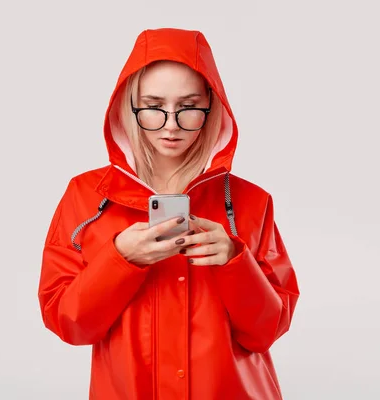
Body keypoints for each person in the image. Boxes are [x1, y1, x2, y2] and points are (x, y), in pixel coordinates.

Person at [38, 27, 300, 400]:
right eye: (154, 105)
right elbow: (68, 323)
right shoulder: (87, 195)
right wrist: (120, 260)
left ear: (212, 106)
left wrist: (234, 260)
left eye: (189, 106)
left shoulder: (248, 201)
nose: (172, 123)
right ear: (129, 106)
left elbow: (266, 331)